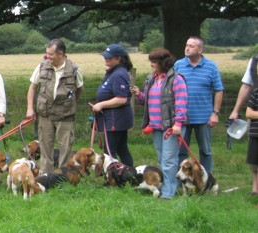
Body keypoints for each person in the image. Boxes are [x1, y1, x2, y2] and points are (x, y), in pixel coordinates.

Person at [131, 48, 188, 200]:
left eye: (154, 62)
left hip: (171, 127)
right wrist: (139, 95)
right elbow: (146, 101)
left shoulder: (176, 79)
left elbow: (181, 103)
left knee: (169, 160)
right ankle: (169, 187)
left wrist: (178, 123)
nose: (151, 64)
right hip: (155, 126)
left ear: (163, 63)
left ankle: (169, 193)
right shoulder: (151, 78)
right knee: (162, 159)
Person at [25, 39, 84, 174]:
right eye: (46, 53)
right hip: (45, 115)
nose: (47, 56)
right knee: (45, 147)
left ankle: (62, 176)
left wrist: (70, 103)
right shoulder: (41, 67)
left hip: (65, 116)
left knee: (65, 149)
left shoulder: (74, 70)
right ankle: (45, 176)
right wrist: (30, 108)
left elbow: (80, 89)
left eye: (50, 54)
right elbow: (32, 88)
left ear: (60, 54)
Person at [173, 36, 224, 174]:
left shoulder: (211, 66)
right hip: (182, 117)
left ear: (200, 50)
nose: (187, 48)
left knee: (205, 151)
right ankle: (181, 180)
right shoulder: (178, 65)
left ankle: (206, 180)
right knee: (181, 151)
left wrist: (215, 113)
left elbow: (219, 90)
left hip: (204, 117)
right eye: (186, 45)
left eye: (191, 46)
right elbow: (171, 88)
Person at [90, 44, 134, 166]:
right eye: (105, 57)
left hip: (116, 119)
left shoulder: (119, 74)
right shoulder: (113, 72)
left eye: (109, 57)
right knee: (121, 148)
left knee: (109, 151)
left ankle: (113, 178)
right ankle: (129, 174)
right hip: (114, 118)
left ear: (118, 58)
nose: (106, 59)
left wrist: (101, 105)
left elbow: (121, 99)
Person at [231, 55, 258, 196]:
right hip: (255, 110)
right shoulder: (255, 60)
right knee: (255, 154)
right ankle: (255, 189)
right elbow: (246, 86)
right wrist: (236, 110)